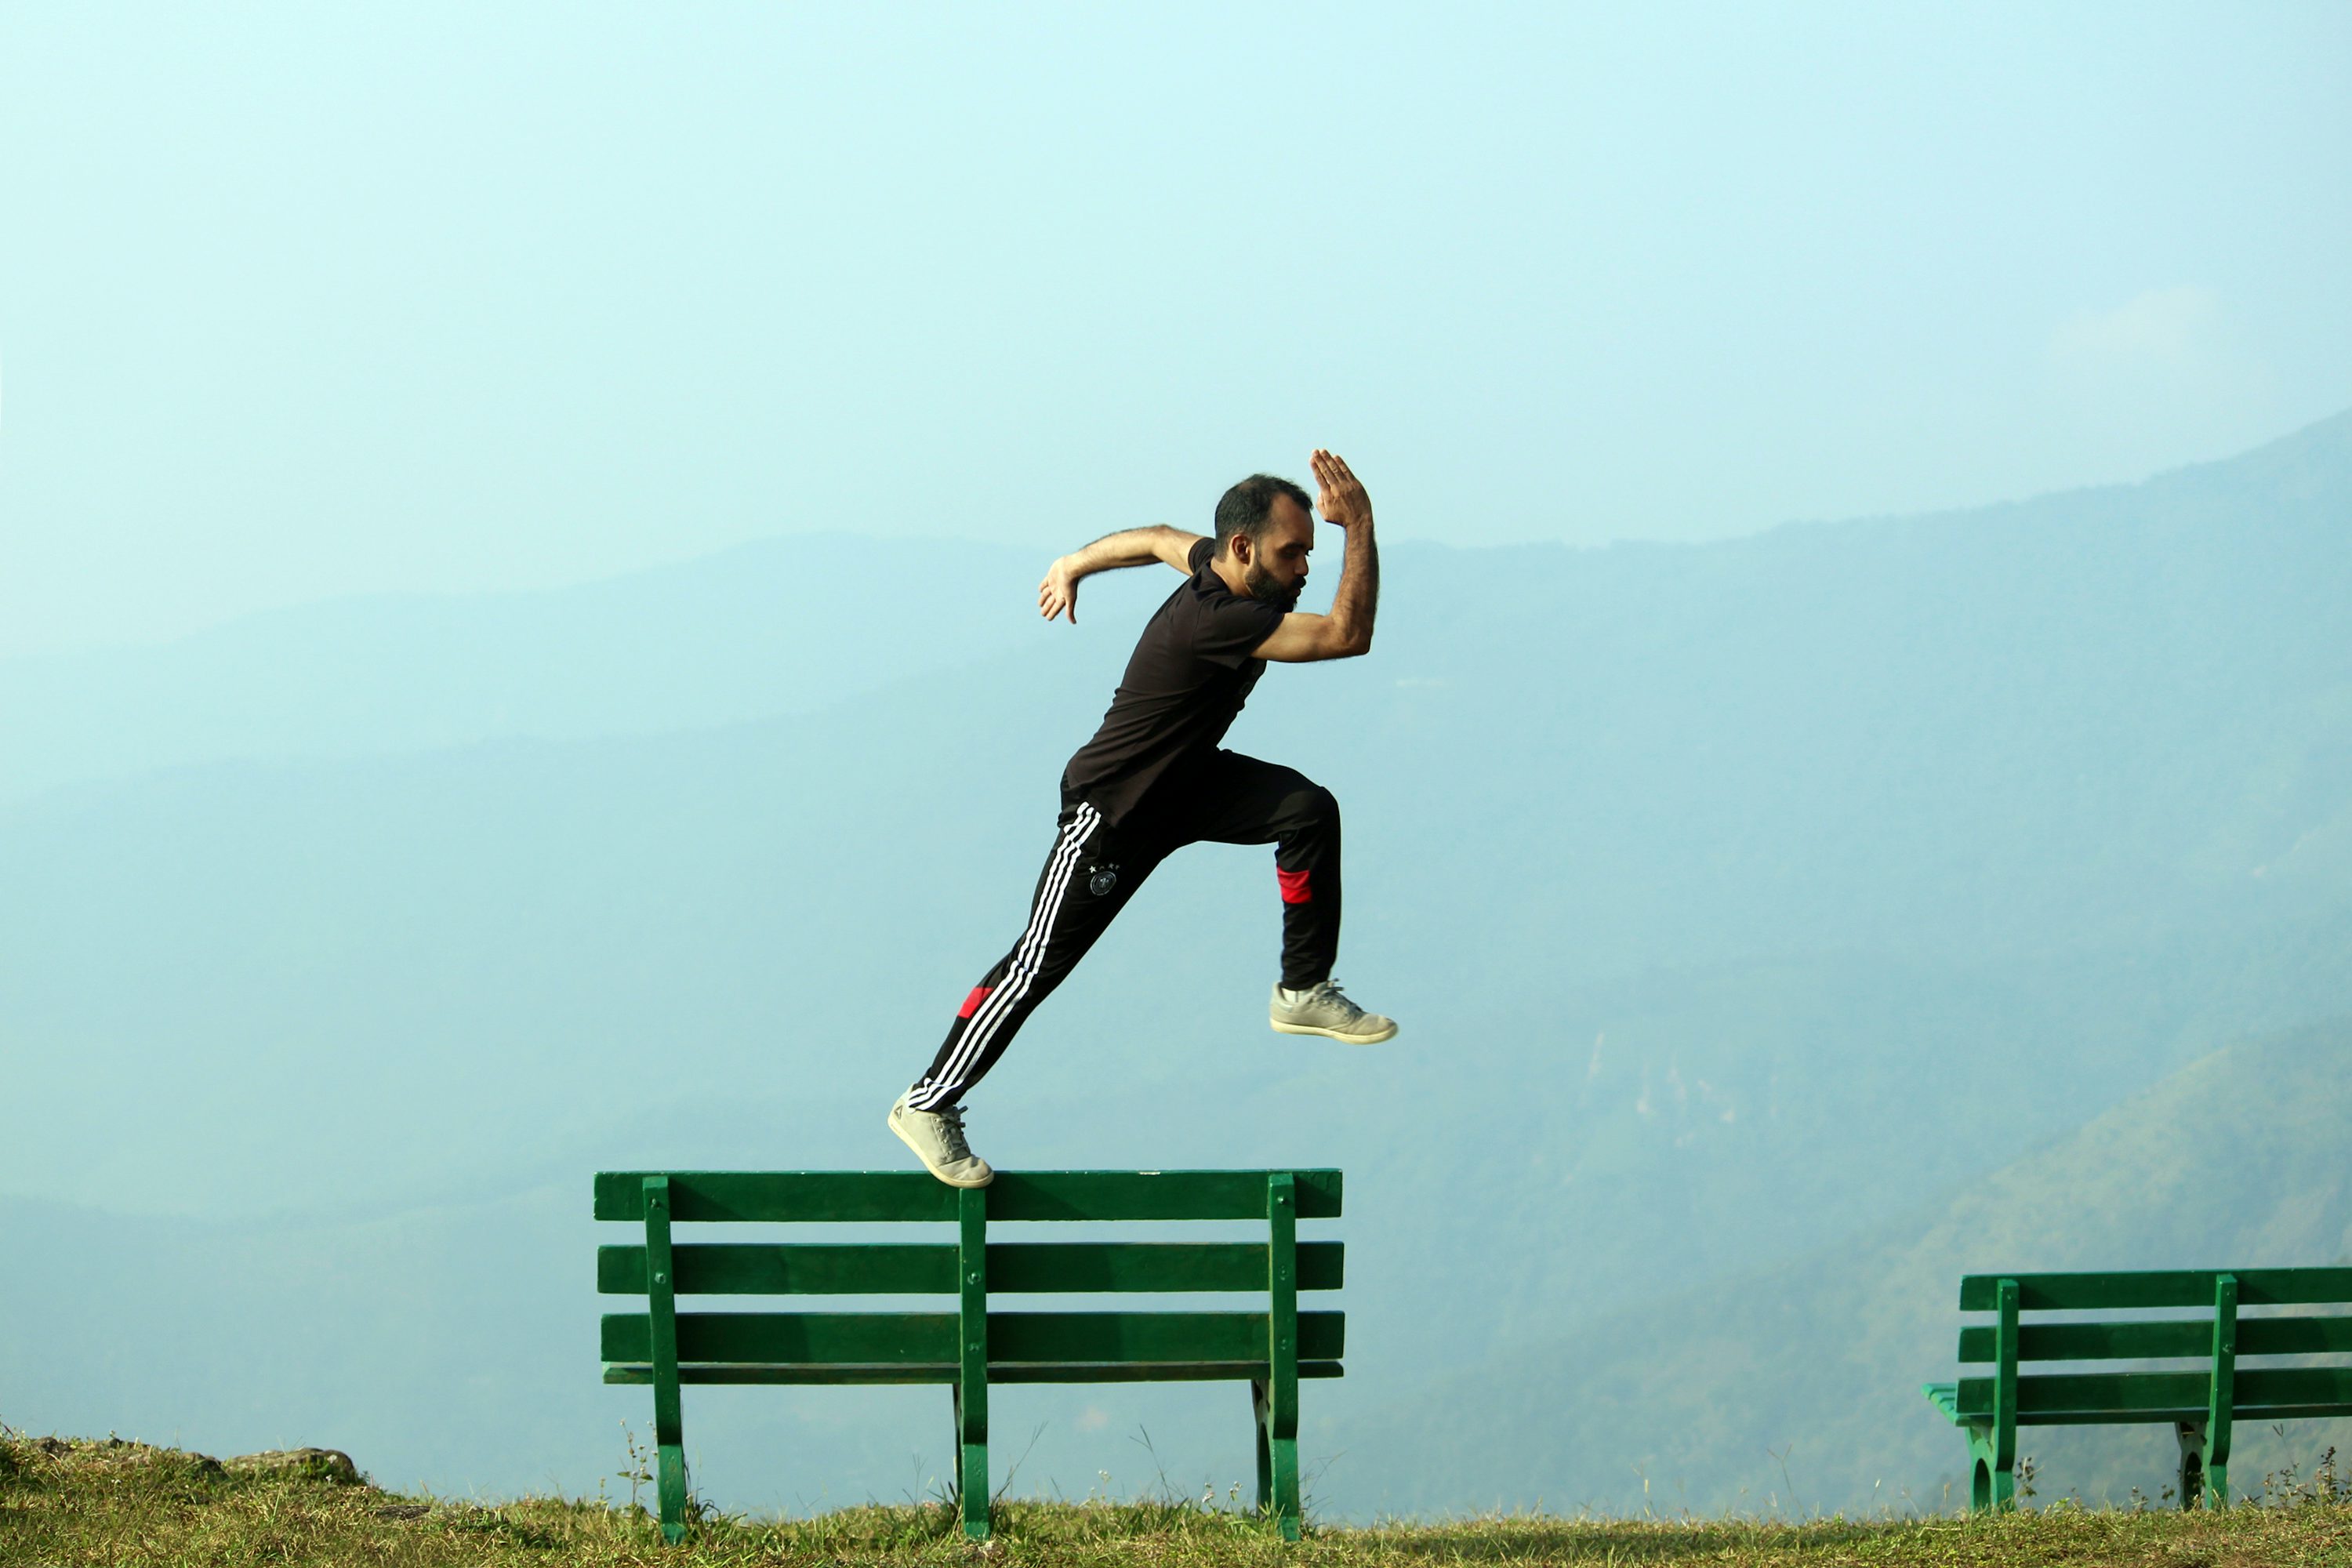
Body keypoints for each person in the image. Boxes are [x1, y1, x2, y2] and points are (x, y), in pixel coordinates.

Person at [887, 450, 1398, 1187]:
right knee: (1036, 966)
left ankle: (1302, 990)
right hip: (1116, 810)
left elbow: (1157, 536)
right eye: (1294, 554)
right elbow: (1348, 636)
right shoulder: (1217, 617)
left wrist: (1073, 563)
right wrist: (1363, 527)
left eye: (1310, 554)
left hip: (1190, 781)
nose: (1304, 570)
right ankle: (927, 1102)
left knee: (1307, 811)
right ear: (1244, 550)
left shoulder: (1210, 565)